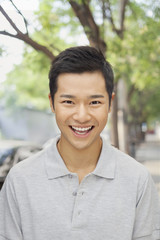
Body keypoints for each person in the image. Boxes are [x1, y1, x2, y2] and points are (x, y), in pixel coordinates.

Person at [0, 46, 160, 240]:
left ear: (110, 103)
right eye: (68, 102)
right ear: (52, 103)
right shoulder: (20, 180)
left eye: (94, 103)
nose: (82, 116)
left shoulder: (138, 180)